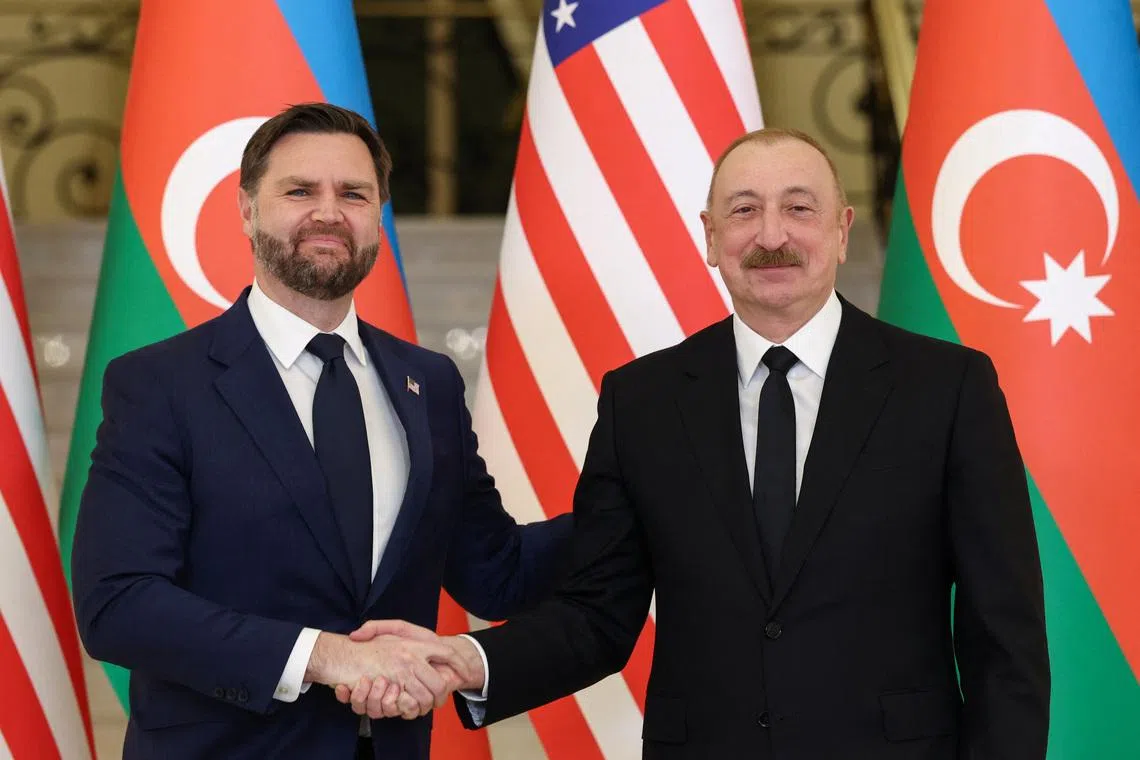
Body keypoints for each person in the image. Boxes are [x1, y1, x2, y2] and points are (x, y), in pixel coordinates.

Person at [344, 128, 1051, 758]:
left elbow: (1004, 635)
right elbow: (597, 611)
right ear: (710, 238)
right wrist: (467, 660)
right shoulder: (641, 401)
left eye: (799, 209)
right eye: (744, 211)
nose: (771, 234)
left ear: (842, 230)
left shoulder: (947, 388)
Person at [70, 102, 572, 760]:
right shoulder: (161, 385)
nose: (329, 213)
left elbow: (495, 574)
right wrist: (326, 657)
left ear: (378, 218)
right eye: (300, 190)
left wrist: (638, 490)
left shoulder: (430, 384)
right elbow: (119, 604)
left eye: (354, 193)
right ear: (248, 210)